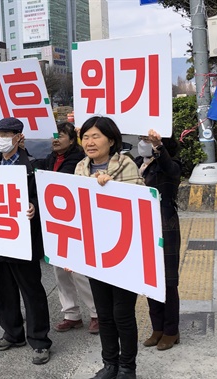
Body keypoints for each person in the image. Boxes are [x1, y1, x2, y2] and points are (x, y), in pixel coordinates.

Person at [74, 116, 144, 379]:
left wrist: (109, 187)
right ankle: (109, 364)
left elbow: (139, 205)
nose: (90, 142)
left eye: (96, 136)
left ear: (111, 140)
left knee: (122, 313)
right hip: (95, 251)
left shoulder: (126, 164)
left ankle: (128, 367)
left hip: (124, 251)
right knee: (103, 313)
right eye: (86, 137)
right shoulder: (80, 167)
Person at [0, 117, 53, 365]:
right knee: (3, 291)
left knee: (31, 290)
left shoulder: (32, 167)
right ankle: (12, 333)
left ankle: (39, 341)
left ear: (17, 137)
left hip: (23, 240)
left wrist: (34, 206)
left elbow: (42, 196)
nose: (0, 139)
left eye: (5, 134)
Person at [33, 122, 99, 334]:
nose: (55, 139)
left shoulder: (79, 161)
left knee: (79, 271)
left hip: (76, 221)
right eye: (54, 135)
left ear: (72, 140)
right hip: (55, 222)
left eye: (60, 135)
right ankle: (71, 314)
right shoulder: (51, 159)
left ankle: (96, 313)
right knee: (59, 270)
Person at [134, 129, 182, 351]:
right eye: (142, 139)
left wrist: (158, 146)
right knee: (150, 278)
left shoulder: (171, 164)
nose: (143, 143)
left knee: (168, 280)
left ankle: (171, 331)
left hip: (164, 224)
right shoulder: (136, 162)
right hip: (142, 224)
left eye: (147, 139)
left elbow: (168, 168)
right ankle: (157, 328)